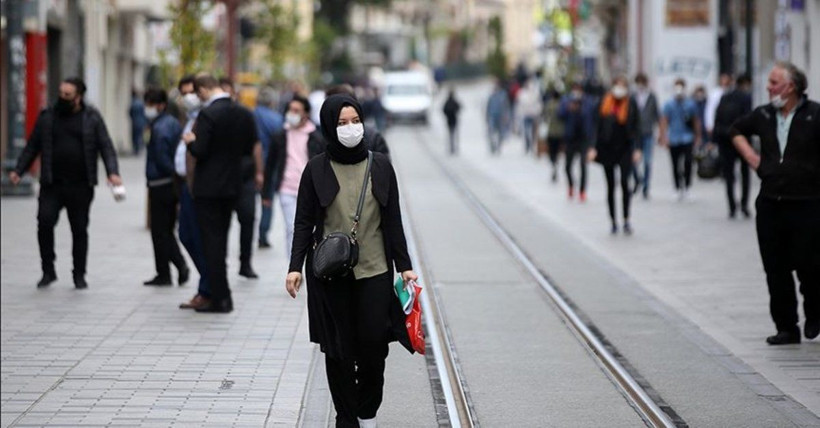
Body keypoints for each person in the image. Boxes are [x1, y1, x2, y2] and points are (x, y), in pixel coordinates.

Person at [285, 94, 418, 428]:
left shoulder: (381, 165)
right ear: (330, 126)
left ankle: (367, 409)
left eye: (355, 121)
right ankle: (347, 419)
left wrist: (405, 266)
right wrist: (294, 268)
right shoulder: (316, 168)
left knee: (374, 347)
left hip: (374, 270)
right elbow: (303, 222)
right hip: (330, 275)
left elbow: (393, 219)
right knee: (338, 350)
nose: (350, 128)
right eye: (342, 123)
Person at [730, 62, 819, 345]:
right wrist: (751, 157)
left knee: (810, 264)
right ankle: (786, 327)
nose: (768, 88)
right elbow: (734, 130)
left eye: (773, 83)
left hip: (807, 203)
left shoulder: (814, 115)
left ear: (791, 87)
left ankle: (815, 312)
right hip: (770, 203)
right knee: (775, 268)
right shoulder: (764, 114)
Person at [9, 77, 121, 289]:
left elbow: (105, 146)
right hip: (52, 184)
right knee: (44, 222)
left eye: (67, 95)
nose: (62, 98)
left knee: (79, 229)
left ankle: (79, 274)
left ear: (78, 97)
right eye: (61, 93)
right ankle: (48, 271)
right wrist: (18, 170)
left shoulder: (92, 118)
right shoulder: (48, 116)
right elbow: (33, 145)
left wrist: (112, 172)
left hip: (81, 185)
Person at [183, 74, 263, 313]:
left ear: (206, 90)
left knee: (212, 244)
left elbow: (200, 150)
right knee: (222, 239)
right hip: (233, 185)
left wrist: (189, 141)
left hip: (208, 188)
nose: (198, 98)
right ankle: (222, 295)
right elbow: (251, 146)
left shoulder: (208, 115)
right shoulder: (244, 113)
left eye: (198, 93)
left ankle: (220, 298)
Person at [262, 95, 324, 258]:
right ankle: (294, 266)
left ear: (306, 114)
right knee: (291, 228)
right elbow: (270, 164)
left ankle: (310, 261)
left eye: (296, 110)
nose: (292, 113)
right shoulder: (281, 134)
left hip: (310, 190)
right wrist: (266, 193)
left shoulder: (315, 136)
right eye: (290, 110)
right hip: (287, 189)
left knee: (310, 228)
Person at [142, 87, 189, 287]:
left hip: (162, 184)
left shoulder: (161, 127)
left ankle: (174, 268)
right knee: (165, 229)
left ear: (161, 105)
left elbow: (161, 157)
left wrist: (172, 173)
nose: (148, 109)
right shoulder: (170, 123)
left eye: (151, 105)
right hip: (168, 183)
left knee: (161, 230)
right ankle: (166, 272)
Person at [174, 75, 211, 310]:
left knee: (195, 237)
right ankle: (207, 283)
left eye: (192, 92)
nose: (188, 97)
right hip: (185, 185)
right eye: (184, 92)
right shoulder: (189, 118)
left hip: (198, 187)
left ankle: (207, 287)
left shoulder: (205, 119)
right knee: (186, 235)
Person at [588, 77, 641, 234]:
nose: (620, 89)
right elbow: (595, 127)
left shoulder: (631, 104)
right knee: (610, 186)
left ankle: (626, 219)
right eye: (617, 86)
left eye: (623, 86)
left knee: (625, 182)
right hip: (607, 149)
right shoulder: (603, 103)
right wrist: (592, 147)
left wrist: (637, 149)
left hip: (625, 149)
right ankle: (613, 221)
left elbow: (637, 127)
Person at [714, 73, 752, 218]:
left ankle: (731, 206)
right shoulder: (746, 98)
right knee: (745, 174)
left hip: (725, 140)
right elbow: (748, 119)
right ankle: (744, 205)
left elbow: (717, 119)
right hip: (741, 140)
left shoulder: (724, 97)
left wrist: (716, 140)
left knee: (729, 176)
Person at [659, 78, 702, 201]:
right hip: (674, 138)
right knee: (675, 164)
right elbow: (664, 121)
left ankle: (687, 186)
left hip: (687, 138)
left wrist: (698, 137)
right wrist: (663, 137)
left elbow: (696, 121)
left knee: (688, 162)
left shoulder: (690, 104)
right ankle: (677, 187)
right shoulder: (669, 104)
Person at [254, 86, 284, 249]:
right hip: (269, 164)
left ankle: (249, 231)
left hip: (250, 164)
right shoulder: (276, 118)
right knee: (267, 200)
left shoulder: (251, 115)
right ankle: (263, 234)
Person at [325, 84, 390, 158]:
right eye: (342, 123)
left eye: (355, 120)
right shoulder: (319, 140)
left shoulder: (373, 138)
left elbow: (384, 165)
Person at [558, 83, 594, 201]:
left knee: (583, 165)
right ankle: (571, 186)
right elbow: (560, 115)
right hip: (570, 138)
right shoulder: (566, 100)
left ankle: (582, 191)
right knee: (567, 166)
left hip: (584, 138)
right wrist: (568, 108)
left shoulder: (588, 102)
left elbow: (591, 117)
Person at [631, 73, 660, 198]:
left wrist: (661, 133)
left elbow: (656, 115)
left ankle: (646, 187)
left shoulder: (652, 97)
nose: (640, 85)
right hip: (634, 133)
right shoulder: (632, 97)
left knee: (647, 161)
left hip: (648, 132)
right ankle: (638, 179)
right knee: (633, 161)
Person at [542, 88, 565, 182]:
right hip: (561, 132)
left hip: (551, 132)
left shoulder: (549, 105)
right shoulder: (562, 105)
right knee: (557, 150)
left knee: (552, 151)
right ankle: (555, 162)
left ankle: (554, 162)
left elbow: (545, 117)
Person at [516, 78, 543, 154]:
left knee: (532, 132)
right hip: (526, 115)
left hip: (533, 115)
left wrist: (538, 113)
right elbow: (520, 105)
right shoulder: (522, 93)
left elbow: (538, 104)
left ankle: (531, 145)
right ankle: (528, 145)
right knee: (527, 132)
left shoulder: (535, 93)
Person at [705, 73, 733, 142]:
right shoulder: (715, 93)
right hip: (718, 124)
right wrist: (709, 125)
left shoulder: (732, 92)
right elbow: (710, 110)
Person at [486, 80, 511, 155]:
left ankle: (499, 146)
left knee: (500, 133)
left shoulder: (503, 95)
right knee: (491, 133)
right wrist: (487, 117)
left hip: (501, 117)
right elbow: (488, 107)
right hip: (492, 116)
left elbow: (506, 107)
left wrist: (506, 116)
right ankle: (493, 146)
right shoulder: (491, 96)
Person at [442, 88, 461, 155]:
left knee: (451, 135)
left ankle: (452, 148)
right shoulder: (452, 101)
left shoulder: (449, 101)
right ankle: (453, 148)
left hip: (450, 120)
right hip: (453, 120)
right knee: (453, 135)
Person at [129, 89, 147, 155]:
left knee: (134, 136)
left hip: (134, 122)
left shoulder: (133, 103)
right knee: (140, 135)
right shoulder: (141, 103)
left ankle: (136, 149)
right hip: (141, 122)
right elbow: (144, 113)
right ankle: (139, 147)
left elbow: (130, 113)